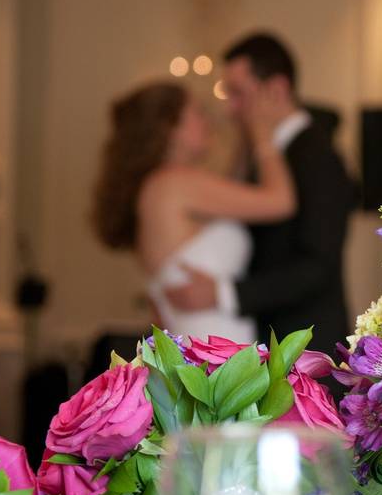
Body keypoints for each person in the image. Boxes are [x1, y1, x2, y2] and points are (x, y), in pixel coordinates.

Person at [164, 33, 357, 356]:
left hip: (307, 347)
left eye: (238, 94)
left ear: (277, 89)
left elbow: (317, 265)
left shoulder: (317, 155)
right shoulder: (268, 154)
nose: (230, 109)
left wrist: (224, 293)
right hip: (270, 338)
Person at [92, 82, 296, 341]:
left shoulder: (157, 187)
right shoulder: (175, 183)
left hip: (199, 347)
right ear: (172, 129)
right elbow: (280, 202)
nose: (208, 122)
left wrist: (245, 138)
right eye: (198, 113)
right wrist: (264, 138)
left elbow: (230, 194)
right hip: (214, 353)